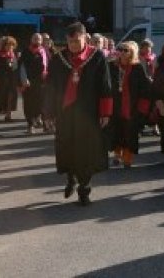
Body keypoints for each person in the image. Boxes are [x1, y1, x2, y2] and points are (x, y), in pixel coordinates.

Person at [45, 22, 113, 206]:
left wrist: (105, 112)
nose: (73, 45)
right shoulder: (59, 59)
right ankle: (71, 178)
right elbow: (50, 89)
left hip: (88, 113)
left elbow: (105, 85)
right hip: (65, 113)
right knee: (67, 148)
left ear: (86, 38)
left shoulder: (97, 57)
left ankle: (84, 189)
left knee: (87, 151)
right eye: (70, 41)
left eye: (77, 40)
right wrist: (49, 114)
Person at [110, 40, 152, 168]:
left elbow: (145, 89)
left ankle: (127, 158)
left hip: (131, 107)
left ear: (132, 52)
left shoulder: (137, 68)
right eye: (120, 49)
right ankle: (117, 156)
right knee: (116, 132)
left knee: (129, 133)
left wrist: (142, 108)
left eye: (125, 50)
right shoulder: (112, 66)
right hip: (115, 106)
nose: (122, 52)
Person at [19, 33, 47, 134]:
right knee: (29, 104)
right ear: (31, 40)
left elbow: (47, 66)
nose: (37, 41)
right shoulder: (26, 52)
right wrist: (24, 79)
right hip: (29, 83)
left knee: (42, 104)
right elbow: (22, 66)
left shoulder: (43, 51)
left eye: (39, 39)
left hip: (41, 83)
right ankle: (30, 125)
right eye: (35, 39)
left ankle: (45, 125)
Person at [0, 36, 19, 122]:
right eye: (8, 45)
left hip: (11, 80)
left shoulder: (13, 55)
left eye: (12, 45)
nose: (10, 47)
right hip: (1, 80)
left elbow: (16, 67)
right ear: (4, 46)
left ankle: (8, 115)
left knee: (10, 97)